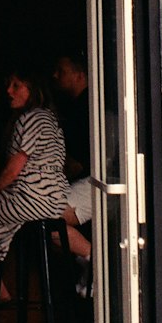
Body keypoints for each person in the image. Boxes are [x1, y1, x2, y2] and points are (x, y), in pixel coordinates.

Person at [0, 66, 71, 297]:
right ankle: (91, 256)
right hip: (55, 198)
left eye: (16, 85)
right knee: (0, 221)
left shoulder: (30, 118)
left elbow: (13, 171)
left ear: (32, 89)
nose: (8, 90)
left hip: (31, 197)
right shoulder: (49, 117)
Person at [52, 50, 92, 262]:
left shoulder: (89, 108)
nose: (55, 76)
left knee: (50, 220)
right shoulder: (73, 106)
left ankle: (97, 263)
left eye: (61, 71)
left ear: (80, 75)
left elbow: (81, 161)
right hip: (78, 180)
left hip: (95, 181)